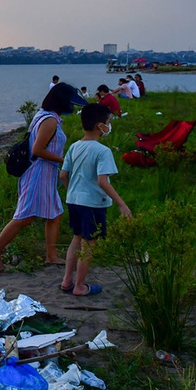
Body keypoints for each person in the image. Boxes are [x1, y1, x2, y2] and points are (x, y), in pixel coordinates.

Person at [0, 82, 87, 271]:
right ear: (62, 101)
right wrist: (64, 161)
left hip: (46, 174)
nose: (72, 107)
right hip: (37, 174)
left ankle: (51, 256)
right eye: (70, 103)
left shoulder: (47, 116)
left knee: (55, 214)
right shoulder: (49, 120)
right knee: (24, 217)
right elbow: (38, 150)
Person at [59, 104, 131, 297]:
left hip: (73, 201)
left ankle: (67, 281)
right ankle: (80, 286)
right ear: (100, 126)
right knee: (89, 244)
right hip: (92, 204)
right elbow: (102, 181)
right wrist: (121, 204)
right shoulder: (102, 151)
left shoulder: (74, 146)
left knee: (76, 238)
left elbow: (63, 175)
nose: (109, 126)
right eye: (108, 122)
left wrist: (73, 192)